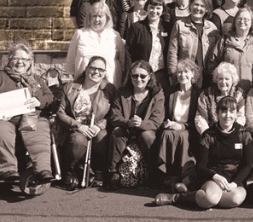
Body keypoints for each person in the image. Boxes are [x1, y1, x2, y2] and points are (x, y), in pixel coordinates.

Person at [153, 95, 252, 209]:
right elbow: (201, 166)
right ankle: (177, 197)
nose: (228, 115)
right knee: (210, 199)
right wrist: (216, 177)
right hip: (214, 178)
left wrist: (234, 183)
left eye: (232, 111)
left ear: (236, 114)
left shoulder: (244, 134)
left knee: (235, 199)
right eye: (223, 111)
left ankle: (200, 196)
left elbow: (248, 165)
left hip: (234, 180)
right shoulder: (209, 135)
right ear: (217, 113)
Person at [56, 55, 119, 191]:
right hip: (74, 128)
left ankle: (98, 171)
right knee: (78, 140)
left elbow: (113, 114)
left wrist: (99, 125)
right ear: (86, 69)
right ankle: (72, 171)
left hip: (97, 127)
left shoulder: (110, 89)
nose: (96, 72)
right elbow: (60, 113)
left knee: (102, 137)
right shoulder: (70, 88)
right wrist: (78, 126)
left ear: (104, 73)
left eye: (100, 69)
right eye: (93, 68)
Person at [0, 42, 54, 187]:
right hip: (7, 119)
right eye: (16, 58)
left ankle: (43, 170)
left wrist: (39, 101)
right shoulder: (2, 77)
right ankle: (9, 170)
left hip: (33, 117)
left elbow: (50, 98)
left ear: (30, 62)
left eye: (24, 59)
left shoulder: (37, 80)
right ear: (9, 60)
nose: (20, 62)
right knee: (2, 130)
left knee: (40, 131)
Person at [106, 60, 165, 189]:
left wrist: (141, 124)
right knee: (117, 132)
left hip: (145, 131)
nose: (139, 79)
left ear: (150, 76)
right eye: (135, 76)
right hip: (126, 129)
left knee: (148, 136)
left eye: (143, 76)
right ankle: (113, 173)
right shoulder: (122, 92)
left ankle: (153, 172)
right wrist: (128, 122)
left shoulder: (157, 94)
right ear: (130, 76)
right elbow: (115, 117)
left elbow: (157, 121)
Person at [156, 59, 200, 193]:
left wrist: (182, 126)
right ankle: (167, 176)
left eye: (186, 72)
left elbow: (199, 118)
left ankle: (184, 176)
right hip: (172, 127)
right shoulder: (170, 92)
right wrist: (167, 123)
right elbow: (162, 114)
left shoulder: (198, 94)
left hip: (189, 129)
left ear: (192, 74)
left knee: (182, 135)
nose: (182, 75)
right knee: (166, 134)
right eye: (179, 72)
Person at [167, 0, 220, 87]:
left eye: (202, 6)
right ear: (190, 5)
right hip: (185, 75)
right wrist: (173, 75)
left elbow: (216, 55)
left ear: (207, 9)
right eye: (196, 4)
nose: (198, 8)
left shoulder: (212, 28)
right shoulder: (179, 25)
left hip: (206, 76)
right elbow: (172, 52)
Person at [66, 1, 125, 86]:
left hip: (110, 85)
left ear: (107, 18)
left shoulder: (115, 36)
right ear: (89, 17)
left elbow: (122, 60)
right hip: (83, 84)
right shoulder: (80, 34)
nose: (97, 19)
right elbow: (70, 61)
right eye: (94, 16)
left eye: (100, 16)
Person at [208, 8, 253, 92]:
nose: (242, 21)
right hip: (228, 91)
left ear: (252, 23)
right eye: (239, 19)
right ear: (234, 21)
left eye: (246, 19)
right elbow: (212, 64)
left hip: (251, 92)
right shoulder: (224, 41)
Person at [124, 0, 171, 87]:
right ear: (147, 8)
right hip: (141, 75)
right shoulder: (136, 27)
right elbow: (128, 52)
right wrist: (130, 73)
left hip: (161, 74)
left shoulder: (167, 27)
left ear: (163, 10)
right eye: (152, 7)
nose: (154, 11)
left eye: (158, 8)